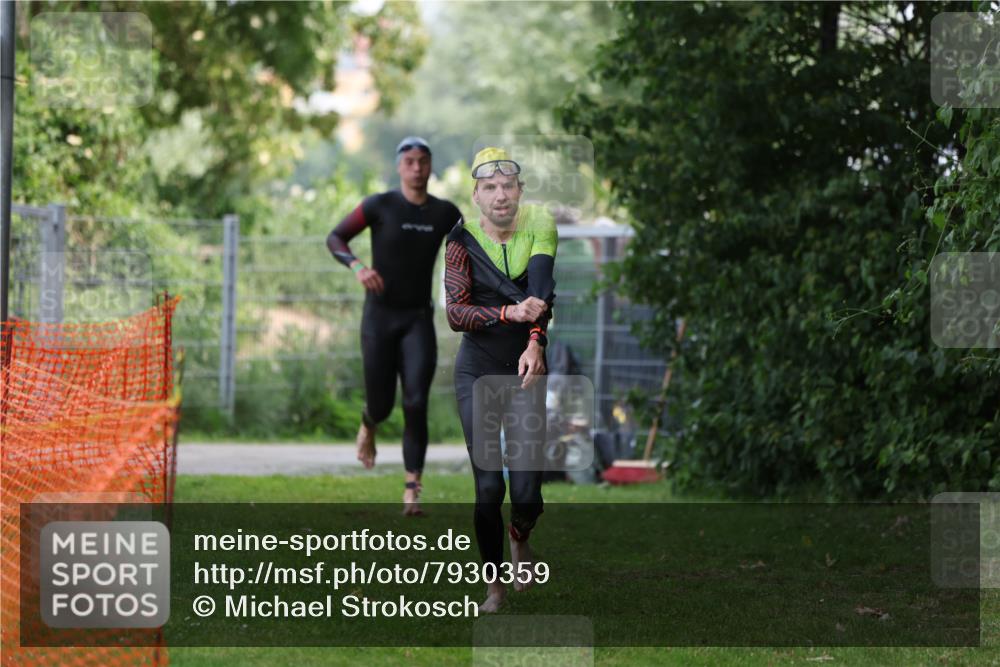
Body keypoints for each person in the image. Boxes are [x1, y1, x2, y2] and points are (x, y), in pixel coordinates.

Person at [444, 147, 557, 612]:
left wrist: (535, 343)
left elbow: (542, 294)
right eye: (489, 187)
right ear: (476, 195)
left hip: (526, 369)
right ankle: (494, 588)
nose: (500, 195)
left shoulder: (540, 223)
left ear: (520, 191)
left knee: (528, 495)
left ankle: (521, 533)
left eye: (508, 186)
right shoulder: (459, 240)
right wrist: (508, 311)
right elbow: (455, 313)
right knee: (489, 487)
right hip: (478, 372)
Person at [326, 136, 462, 516]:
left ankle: (411, 491)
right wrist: (358, 267)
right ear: (399, 167)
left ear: (430, 167)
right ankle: (369, 424)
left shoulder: (446, 214)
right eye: (410, 162)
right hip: (379, 318)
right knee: (382, 405)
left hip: (418, 318)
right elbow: (335, 237)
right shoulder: (378, 205)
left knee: (416, 402)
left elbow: (471, 251)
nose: (417, 169)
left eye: (423, 162)